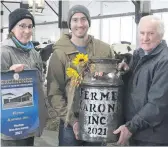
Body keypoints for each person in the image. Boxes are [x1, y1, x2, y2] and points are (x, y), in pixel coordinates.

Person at [47, 5, 114, 146]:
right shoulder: (59, 54)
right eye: (75, 20)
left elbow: (114, 80)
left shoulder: (104, 49)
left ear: (89, 22)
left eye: (84, 19)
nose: (80, 24)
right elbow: (54, 92)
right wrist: (71, 120)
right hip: (70, 123)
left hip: (99, 120)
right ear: (69, 24)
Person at [114, 15, 168, 146]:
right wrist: (126, 73)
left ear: (160, 35)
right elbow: (136, 90)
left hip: (153, 137)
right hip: (137, 133)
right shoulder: (140, 55)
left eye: (151, 33)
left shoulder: (164, 61)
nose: (145, 38)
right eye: (142, 33)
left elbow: (157, 105)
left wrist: (131, 127)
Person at [1, 8, 47, 146]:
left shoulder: (33, 52)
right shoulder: (4, 52)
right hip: (11, 123)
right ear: (12, 29)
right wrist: (8, 74)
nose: (27, 31)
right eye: (22, 26)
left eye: (30, 26)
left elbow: (41, 79)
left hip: (29, 117)